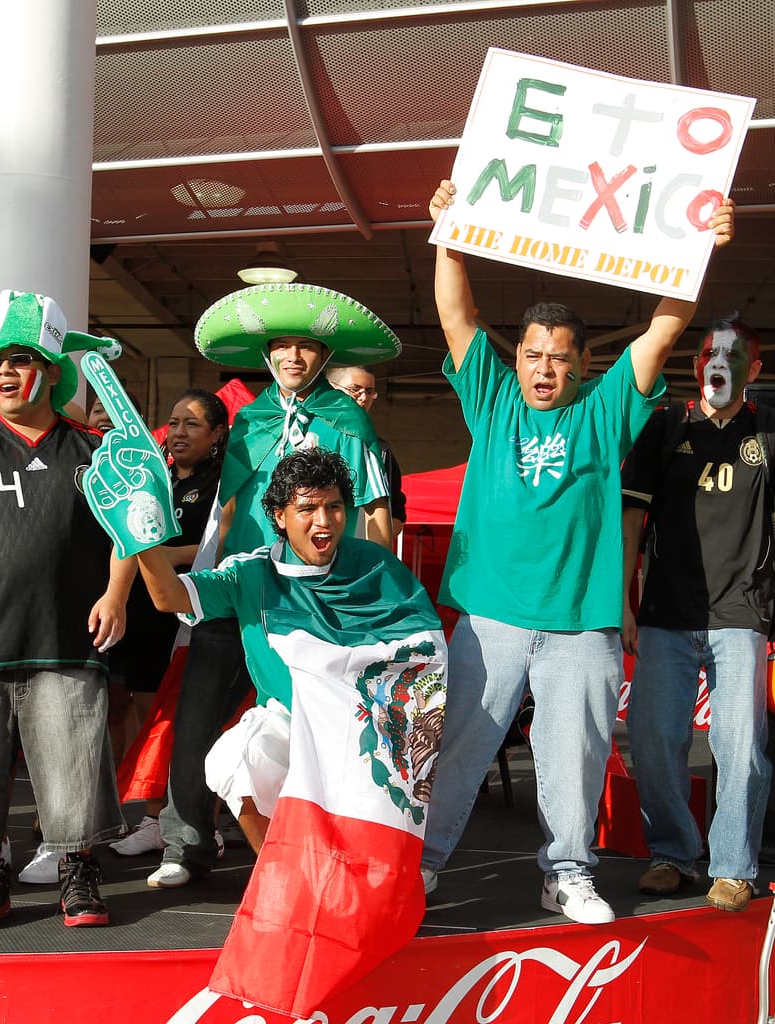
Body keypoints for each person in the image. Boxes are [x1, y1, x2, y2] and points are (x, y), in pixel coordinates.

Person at [419, 179, 734, 925]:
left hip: (580, 628)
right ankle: (423, 864)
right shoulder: (490, 399)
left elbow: (663, 328)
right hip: (490, 619)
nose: (543, 369)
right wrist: (450, 230)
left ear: (583, 363)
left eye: (560, 358)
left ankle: (567, 873)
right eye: (532, 355)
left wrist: (697, 243)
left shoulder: (606, 410)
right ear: (517, 357)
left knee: (575, 765)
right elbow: (455, 313)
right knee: (458, 752)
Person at [148, 282, 398, 888]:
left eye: (306, 347)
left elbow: (375, 513)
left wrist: (370, 597)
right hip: (239, 591)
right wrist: (203, 576)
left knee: (312, 728)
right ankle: (184, 845)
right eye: (281, 346)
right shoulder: (251, 419)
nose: (293, 357)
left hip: (310, 601)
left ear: (324, 354)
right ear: (266, 355)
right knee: (198, 715)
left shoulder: (348, 420)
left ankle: (316, 856)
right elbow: (225, 513)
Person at [0, 289, 130, 930]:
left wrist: (116, 593)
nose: (3, 373)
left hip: (68, 637)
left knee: (73, 765)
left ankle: (78, 873)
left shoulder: (96, 447)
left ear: (51, 371)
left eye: (19, 360)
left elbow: (129, 530)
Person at [129, 447, 445, 853]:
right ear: (279, 516)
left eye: (334, 507)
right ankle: (282, 868)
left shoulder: (377, 566)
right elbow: (168, 595)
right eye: (308, 508)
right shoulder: (250, 572)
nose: (324, 520)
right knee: (233, 758)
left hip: (369, 725)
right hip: (289, 720)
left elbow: (422, 653)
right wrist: (138, 533)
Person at [621, 315, 771, 912]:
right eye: (710, 353)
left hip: (740, 614)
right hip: (665, 612)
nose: (719, 365)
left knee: (741, 745)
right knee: (655, 740)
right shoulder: (665, 425)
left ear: (753, 372)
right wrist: (622, 601)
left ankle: (733, 866)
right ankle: (672, 854)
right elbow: (632, 520)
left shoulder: (770, 431)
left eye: (734, 358)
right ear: (693, 364)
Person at [109, 388, 227, 856]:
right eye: (174, 422)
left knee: (186, 720)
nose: (178, 432)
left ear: (217, 434)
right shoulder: (150, 474)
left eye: (192, 424)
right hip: (141, 607)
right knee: (146, 713)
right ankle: (156, 815)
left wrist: (148, 556)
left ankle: (202, 821)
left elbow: (207, 547)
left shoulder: (223, 483)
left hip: (188, 610)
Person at [327, 365, 406, 540]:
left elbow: (397, 517)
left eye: (369, 392)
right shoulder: (304, 435)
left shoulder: (381, 451)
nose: (363, 398)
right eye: (355, 390)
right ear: (330, 388)